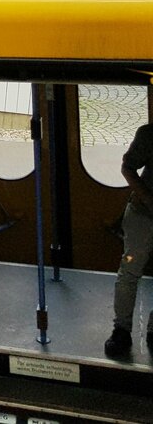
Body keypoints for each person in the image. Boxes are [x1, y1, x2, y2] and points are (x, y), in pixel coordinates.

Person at [103, 122, 153, 358]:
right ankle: (121, 329)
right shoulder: (149, 134)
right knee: (130, 269)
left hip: (144, 210)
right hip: (143, 214)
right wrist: (147, 198)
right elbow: (128, 167)